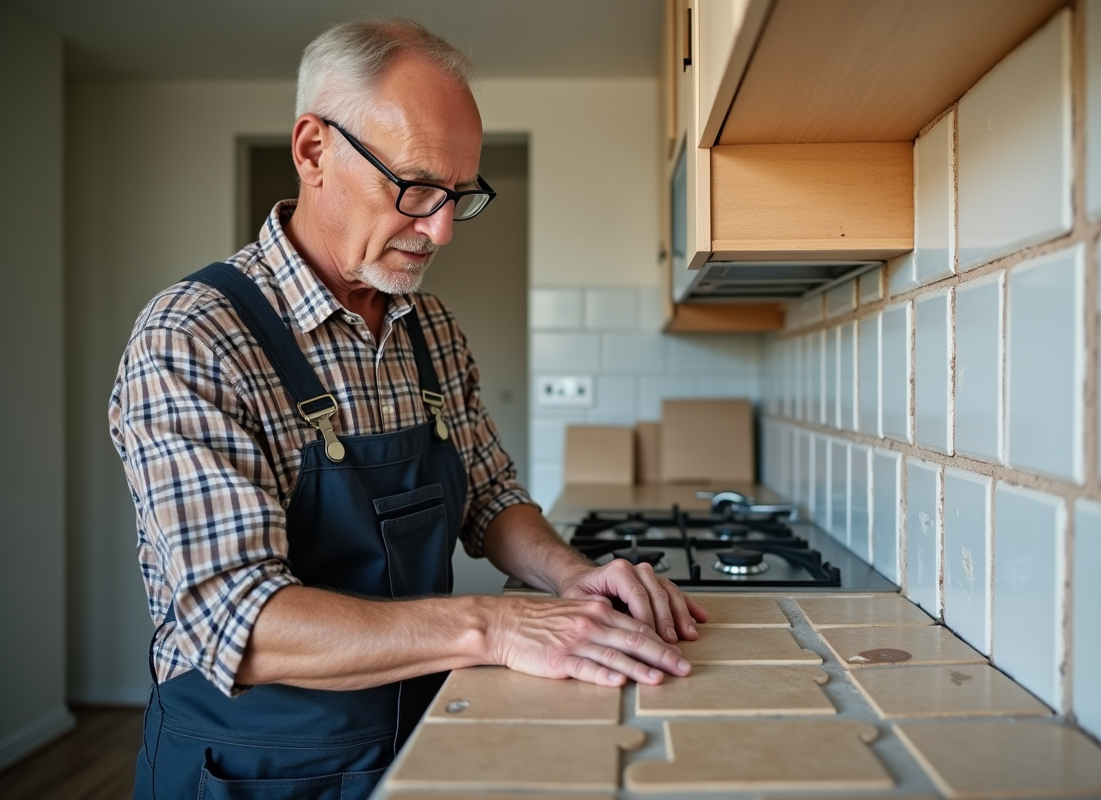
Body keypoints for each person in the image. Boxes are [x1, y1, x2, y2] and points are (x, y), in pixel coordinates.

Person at [109, 17, 707, 799]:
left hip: (421, 739)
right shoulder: (194, 337)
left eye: (460, 195)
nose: (442, 228)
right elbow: (238, 624)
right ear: (313, 149)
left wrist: (572, 576)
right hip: (253, 770)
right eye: (417, 186)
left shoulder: (431, 330)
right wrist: (494, 627)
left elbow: (491, 499)